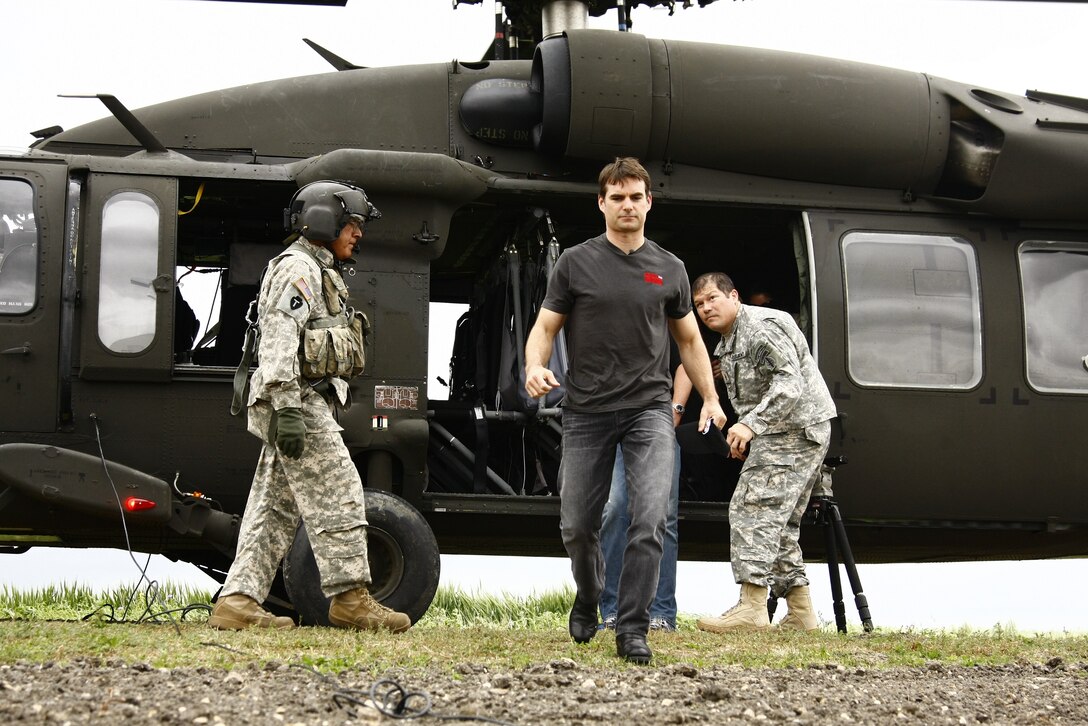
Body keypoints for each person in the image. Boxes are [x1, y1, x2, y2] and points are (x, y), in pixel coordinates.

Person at [524, 157, 726, 664]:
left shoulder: (669, 269)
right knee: (577, 525)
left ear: (649, 201)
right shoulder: (575, 262)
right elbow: (545, 328)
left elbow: (689, 341)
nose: (627, 205)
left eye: (636, 196)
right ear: (602, 203)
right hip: (587, 412)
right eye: (617, 198)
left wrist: (712, 398)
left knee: (650, 516)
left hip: (649, 412)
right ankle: (590, 594)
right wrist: (533, 366)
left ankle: (633, 627)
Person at [209, 180, 410, 633]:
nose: (358, 233)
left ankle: (238, 601)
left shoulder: (318, 270)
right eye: (352, 224)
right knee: (340, 490)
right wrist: (286, 407)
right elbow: (279, 338)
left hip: (297, 398)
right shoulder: (298, 269)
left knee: (273, 507)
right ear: (324, 220)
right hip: (295, 399)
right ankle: (351, 598)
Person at [691, 272, 836, 633]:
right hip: (787, 430)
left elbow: (790, 383)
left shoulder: (760, 326)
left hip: (794, 429)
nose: (706, 308)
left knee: (751, 509)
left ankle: (752, 607)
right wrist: (748, 432)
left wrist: (751, 425)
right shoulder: (729, 340)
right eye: (699, 305)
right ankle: (802, 614)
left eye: (712, 298)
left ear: (734, 295)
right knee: (780, 523)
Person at [599, 365, 691, 632]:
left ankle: (661, 614)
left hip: (658, 421)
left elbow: (686, 360)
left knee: (662, 515)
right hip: (612, 422)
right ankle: (613, 612)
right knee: (614, 509)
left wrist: (676, 411)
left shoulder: (666, 321)